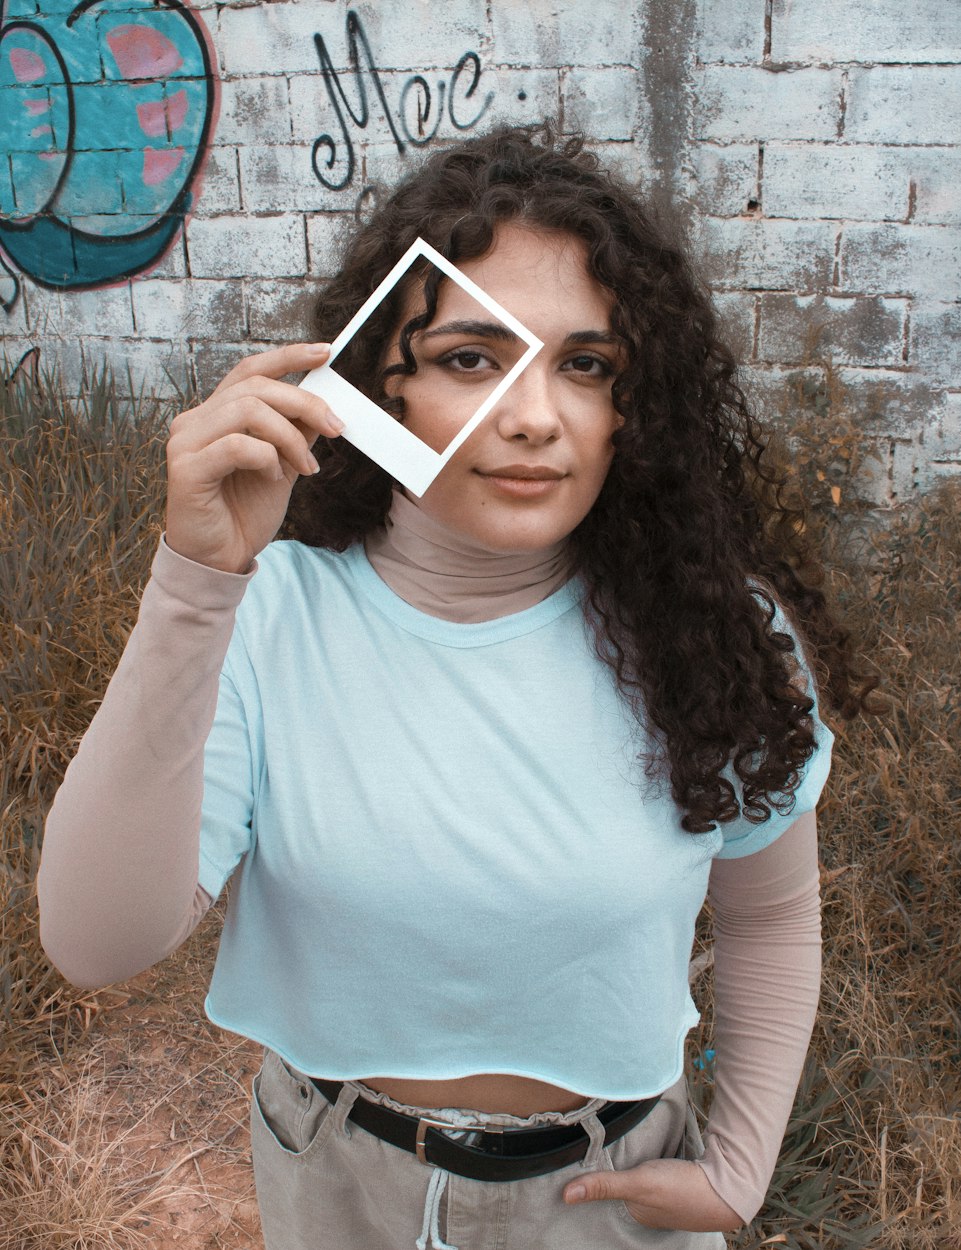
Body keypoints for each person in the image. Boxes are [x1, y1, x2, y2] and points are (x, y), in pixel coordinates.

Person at [38, 124, 873, 1250]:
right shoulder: (271, 612)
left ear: (636, 403)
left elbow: (769, 913)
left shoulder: (712, 630)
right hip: (333, 1179)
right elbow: (95, 943)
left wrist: (739, 1161)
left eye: (585, 363)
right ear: (376, 378)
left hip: (609, 1195)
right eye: (471, 358)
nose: (534, 417)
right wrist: (197, 586)